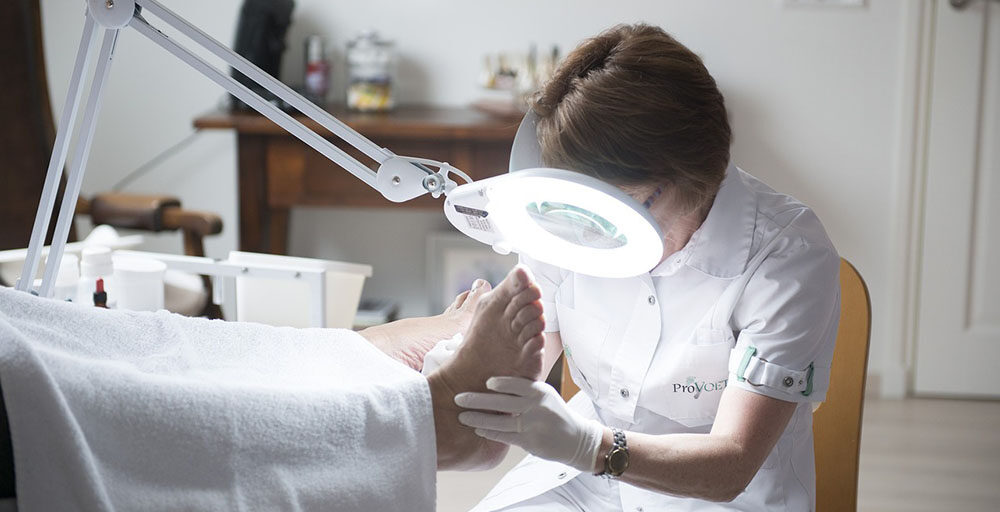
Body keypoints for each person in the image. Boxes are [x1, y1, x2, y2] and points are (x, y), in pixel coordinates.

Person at [453, 24, 841, 511]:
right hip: (580, 482)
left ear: (694, 171)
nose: (598, 231)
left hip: (717, 496)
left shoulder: (786, 256)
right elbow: (528, 354)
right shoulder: (574, 222)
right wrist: (465, 363)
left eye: (628, 204)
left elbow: (732, 464)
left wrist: (587, 445)